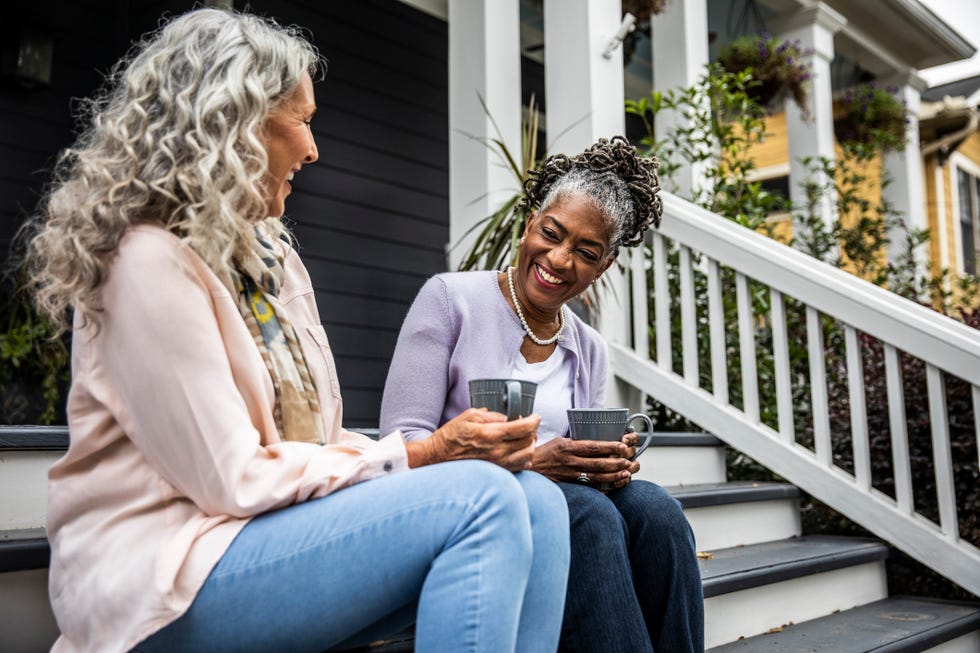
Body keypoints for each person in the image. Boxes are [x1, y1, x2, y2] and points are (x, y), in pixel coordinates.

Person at [22, 8, 570, 653]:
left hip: (269, 536)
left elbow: (318, 440)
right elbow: (233, 479)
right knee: (482, 499)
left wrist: (434, 455)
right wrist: (423, 454)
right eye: (302, 120)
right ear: (233, 121)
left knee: (537, 501)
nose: (313, 149)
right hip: (163, 574)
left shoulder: (271, 258)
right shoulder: (147, 260)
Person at [381, 136, 705, 653]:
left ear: (603, 266)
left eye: (586, 253)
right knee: (587, 513)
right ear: (530, 223)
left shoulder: (589, 348)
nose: (558, 258)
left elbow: (578, 470)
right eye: (551, 234)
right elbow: (402, 446)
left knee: (656, 510)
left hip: (565, 511)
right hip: (464, 509)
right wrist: (534, 464)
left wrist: (604, 465)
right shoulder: (449, 299)